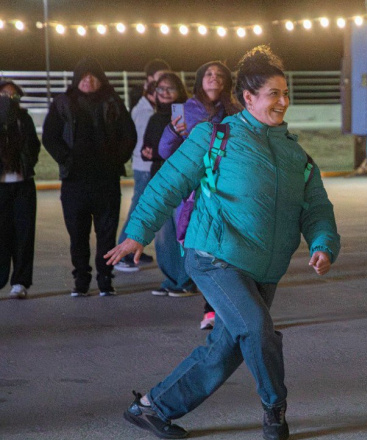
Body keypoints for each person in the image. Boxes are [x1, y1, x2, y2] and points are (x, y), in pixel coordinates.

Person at [106, 45, 340, 440]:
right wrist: (137, 233)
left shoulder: (296, 155)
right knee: (257, 328)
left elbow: (317, 208)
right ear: (248, 98)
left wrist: (323, 243)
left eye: (286, 94)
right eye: (274, 94)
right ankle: (274, 411)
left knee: (224, 349)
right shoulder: (216, 136)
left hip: (264, 268)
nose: (283, 102)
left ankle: (152, 408)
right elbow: (168, 182)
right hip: (214, 255)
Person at [42, 57, 136, 297]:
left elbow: (129, 135)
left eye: (93, 76)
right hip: (74, 181)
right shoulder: (63, 103)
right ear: (76, 79)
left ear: (100, 79)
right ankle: (81, 280)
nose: (88, 80)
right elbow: (50, 136)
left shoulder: (112, 102)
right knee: (78, 233)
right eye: (83, 76)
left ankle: (105, 279)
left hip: (106, 180)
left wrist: (116, 160)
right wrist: (67, 160)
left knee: (107, 232)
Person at [158, 60, 241, 329]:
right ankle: (211, 306)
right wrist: (172, 132)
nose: (214, 78)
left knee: (225, 250)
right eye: (208, 74)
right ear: (199, 80)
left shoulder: (236, 111)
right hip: (196, 192)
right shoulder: (186, 110)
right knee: (202, 250)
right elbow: (165, 151)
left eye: (219, 75)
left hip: (226, 191)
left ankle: (215, 309)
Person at [140, 71, 198, 298]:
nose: (164, 93)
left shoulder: (186, 117)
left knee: (182, 232)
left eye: (169, 89)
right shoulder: (155, 119)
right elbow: (147, 150)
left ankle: (186, 280)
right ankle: (171, 278)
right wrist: (151, 152)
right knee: (163, 236)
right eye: (160, 89)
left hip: (181, 182)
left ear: (179, 92)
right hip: (159, 180)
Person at [116, 60, 171, 273]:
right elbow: (141, 142)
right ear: (150, 80)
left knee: (141, 208)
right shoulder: (145, 110)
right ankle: (124, 253)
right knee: (139, 211)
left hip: (146, 165)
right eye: (159, 78)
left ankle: (133, 250)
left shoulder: (149, 106)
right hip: (144, 167)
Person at [0, 81, 40, 299]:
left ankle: (21, 282)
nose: (9, 98)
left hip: (23, 184)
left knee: (24, 234)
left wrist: (27, 163)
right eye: (4, 94)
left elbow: (34, 145)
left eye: (13, 96)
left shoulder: (24, 119)